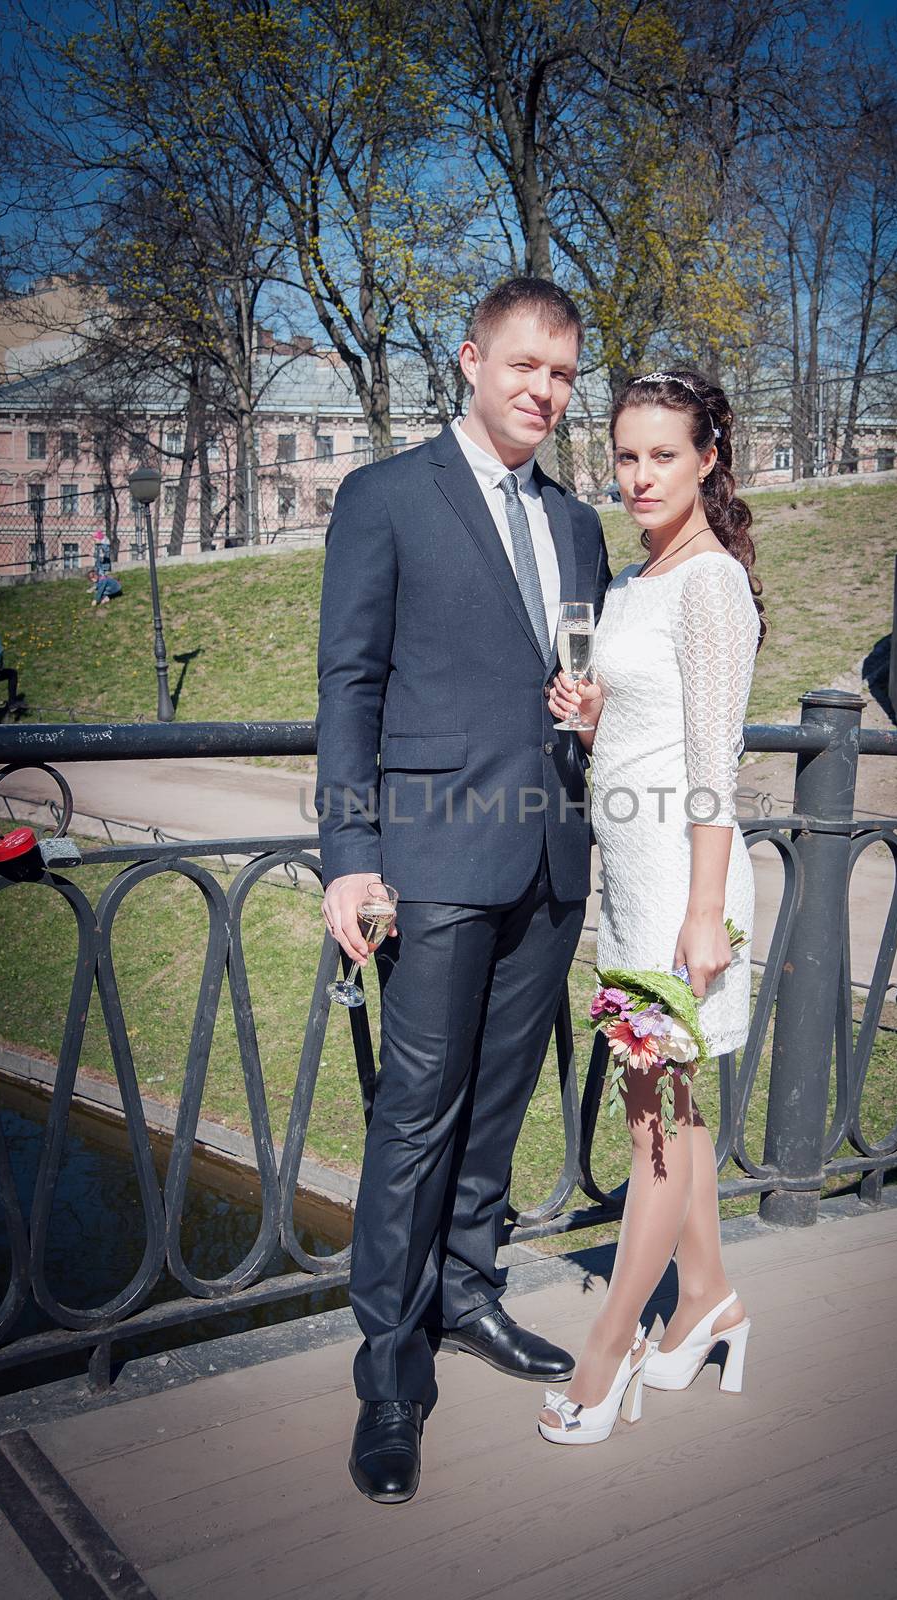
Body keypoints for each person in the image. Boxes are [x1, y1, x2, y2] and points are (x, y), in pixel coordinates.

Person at [316, 277, 611, 1503]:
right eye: (522, 365)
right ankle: (389, 1373)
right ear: (470, 359)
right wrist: (348, 854)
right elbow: (350, 686)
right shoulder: (385, 496)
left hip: (547, 852)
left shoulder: (579, 524)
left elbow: (572, 673)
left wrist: (589, 714)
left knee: (493, 1103)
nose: (542, 390)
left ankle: (471, 1293)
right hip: (430, 859)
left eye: (561, 373)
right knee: (416, 1117)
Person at [540, 368, 766, 1446]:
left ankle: (608, 1352)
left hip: (686, 884)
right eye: (623, 455)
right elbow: (640, 740)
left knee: (651, 1136)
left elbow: (715, 761)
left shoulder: (709, 585)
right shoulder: (633, 582)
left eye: (660, 455)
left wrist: (705, 912)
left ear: (706, 457)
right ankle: (710, 1298)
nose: (636, 476)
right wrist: (588, 719)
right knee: (670, 1114)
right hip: (631, 882)